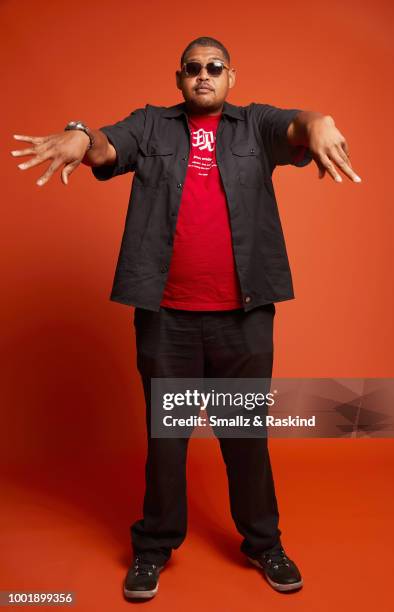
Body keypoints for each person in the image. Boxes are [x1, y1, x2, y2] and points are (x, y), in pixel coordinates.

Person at [10, 35, 362, 601]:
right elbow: (104, 147)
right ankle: (153, 549)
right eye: (193, 68)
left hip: (242, 320)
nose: (204, 75)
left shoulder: (256, 126)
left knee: (245, 437)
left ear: (230, 77)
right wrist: (79, 134)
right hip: (167, 319)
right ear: (179, 79)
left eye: (214, 67)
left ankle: (264, 544)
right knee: (167, 441)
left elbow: (299, 126)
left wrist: (319, 121)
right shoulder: (151, 126)